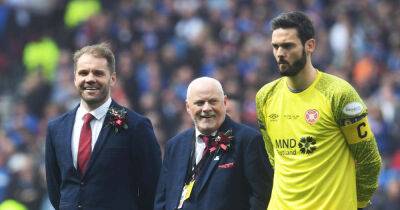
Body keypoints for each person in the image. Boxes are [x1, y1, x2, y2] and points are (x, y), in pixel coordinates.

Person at [255, 11, 382, 210]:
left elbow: (369, 160)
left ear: (310, 45)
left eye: (288, 46)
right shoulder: (265, 96)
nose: (280, 53)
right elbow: (275, 157)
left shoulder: (339, 94)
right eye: (276, 46)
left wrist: (355, 203)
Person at [45, 42, 161, 210]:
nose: (90, 79)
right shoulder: (56, 128)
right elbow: (56, 190)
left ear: (112, 78)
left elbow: (152, 187)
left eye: (98, 73)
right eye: (83, 73)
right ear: (75, 78)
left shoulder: (135, 126)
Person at [154, 77, 273, 210]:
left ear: (225, 102)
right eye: (199, 103)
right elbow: (162, 200)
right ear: (188, 107)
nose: (206, 108)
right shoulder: (174, 146)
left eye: (213, 101)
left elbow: (262, 197)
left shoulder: (248, 141)